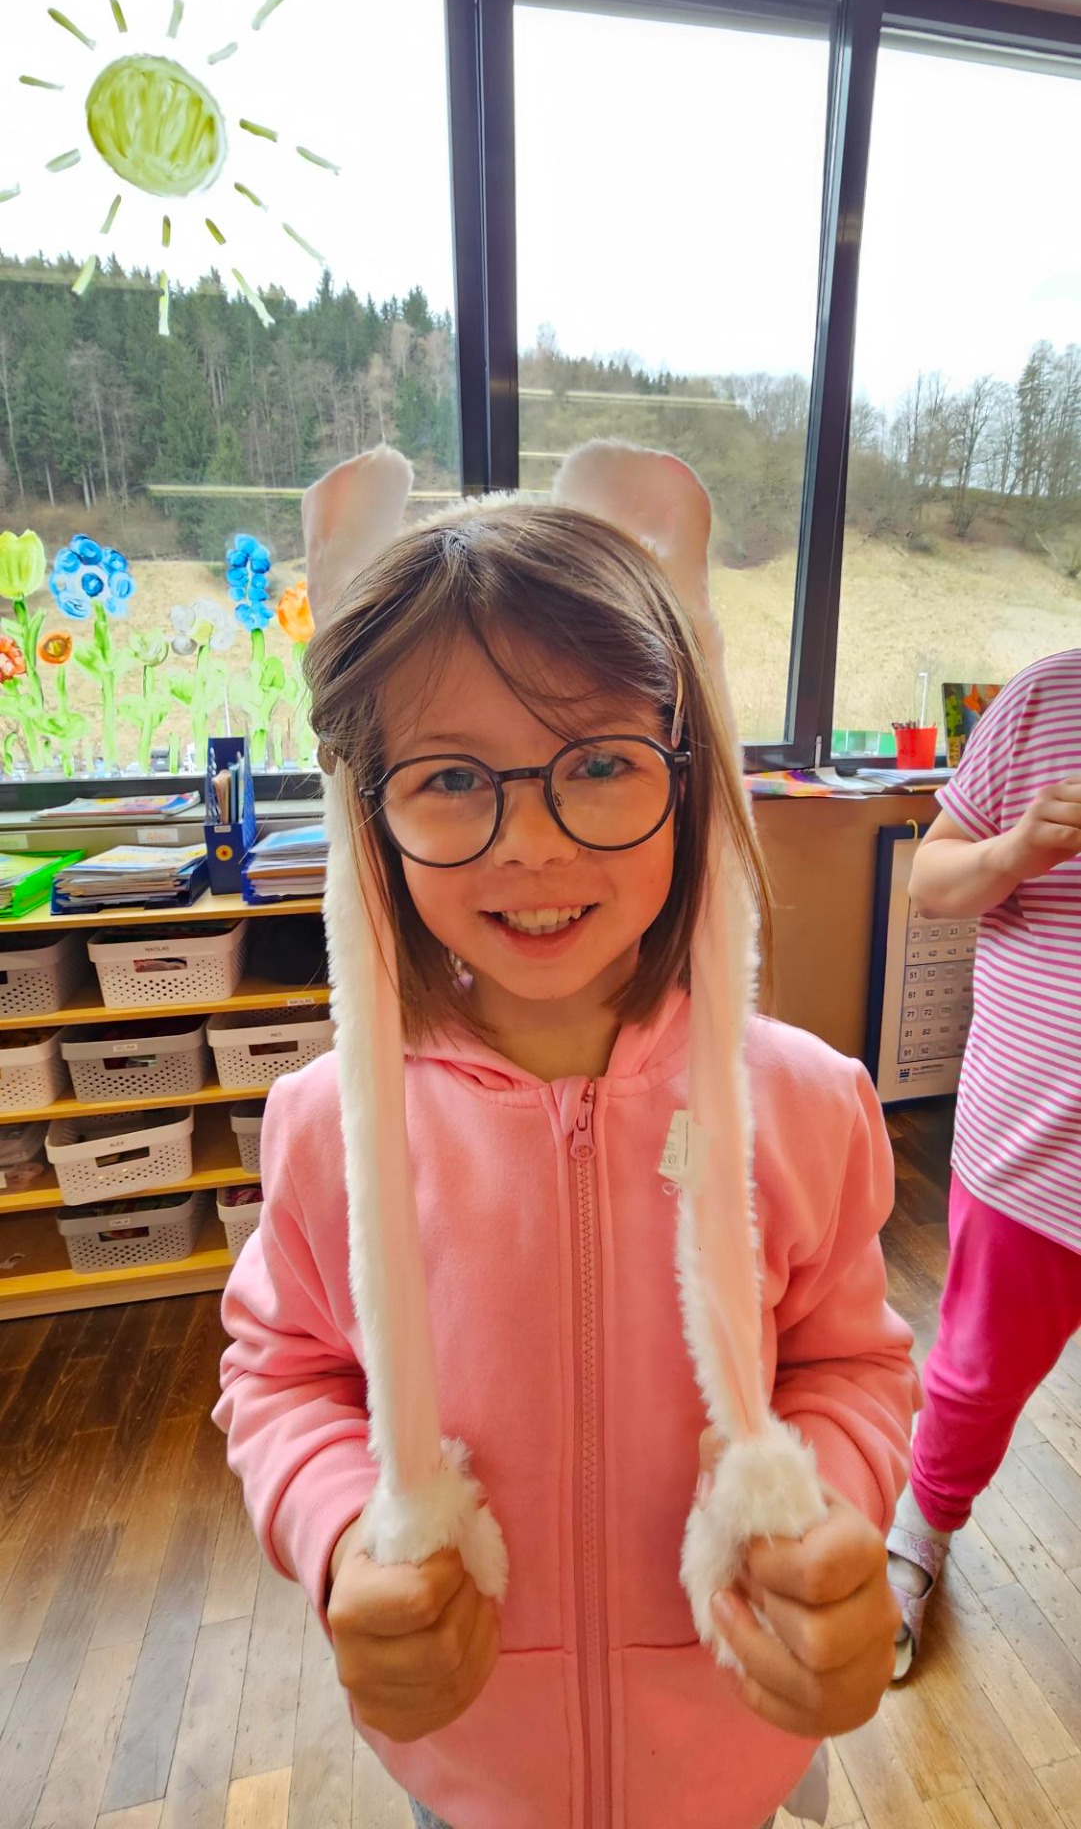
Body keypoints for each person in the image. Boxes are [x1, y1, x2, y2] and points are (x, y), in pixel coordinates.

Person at [214, 443, 916, 1829]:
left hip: (733, 1745)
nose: (530, 844)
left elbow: (849, 1363)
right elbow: (286, 1374)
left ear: (687, 777)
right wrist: (344, 1534)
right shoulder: (326, 1128)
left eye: (597, 763)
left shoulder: (805, 1103)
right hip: (475, 1765)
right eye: (449, 778)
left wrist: (824, 1511)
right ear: (370, 818)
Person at [888, 647, 1081, 1678]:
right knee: (974, 1376)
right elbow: (931, 882)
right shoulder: (1049, 696)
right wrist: (1013, 851)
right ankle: (918, 1532)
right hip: (1033, 1154)